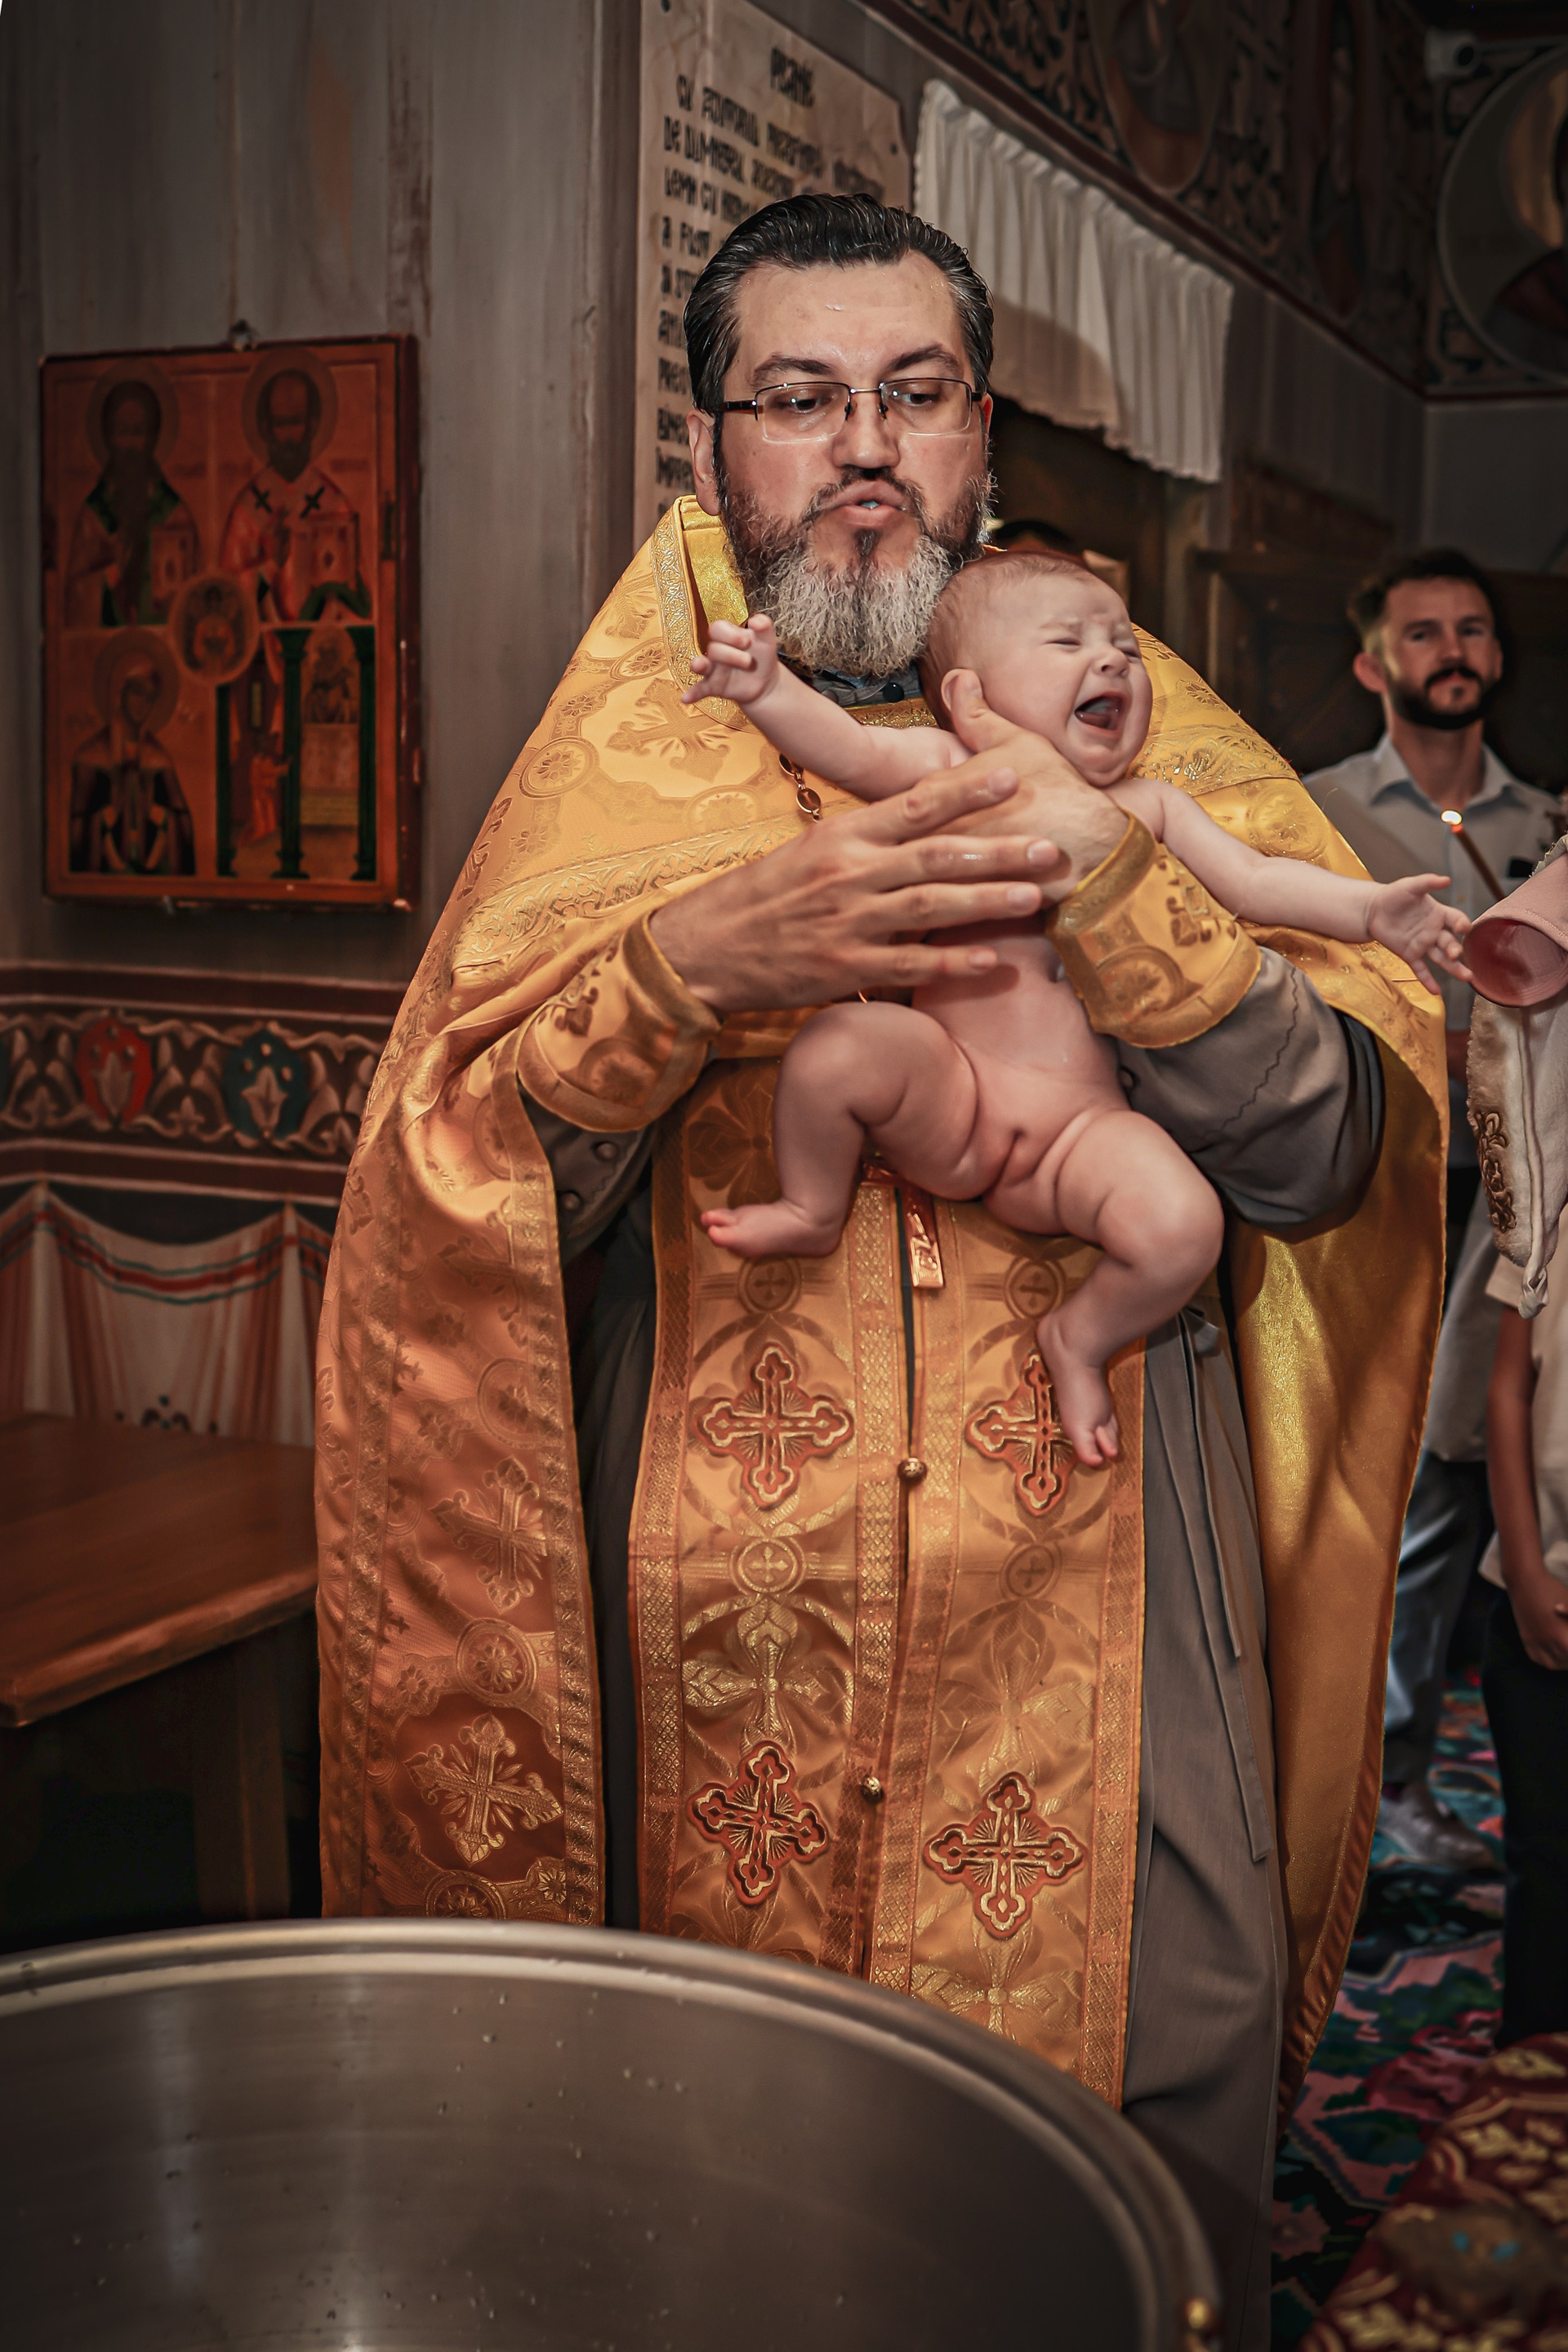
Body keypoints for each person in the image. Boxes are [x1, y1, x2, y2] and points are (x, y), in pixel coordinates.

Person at [316, 195, 1446, 2352]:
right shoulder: (615, 786)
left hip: (1107, 1652)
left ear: (980, 433)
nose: (861, 447)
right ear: (708, 444)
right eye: (799, 397)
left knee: (1132, 2215)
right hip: (713, 1674)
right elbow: (455, 1209)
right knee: (718, 2222)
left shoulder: (1138, 740)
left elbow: (1326, 1160)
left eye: (912, 396)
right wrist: (685, 969)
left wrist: (1113, 898)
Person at [687, 559, 1468, 1461]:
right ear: (969, 695)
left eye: (1125, 649)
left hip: (1081, 1134)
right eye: (1068, 643)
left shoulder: (1152, 809)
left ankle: (1081, 1339)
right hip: (953, 1093)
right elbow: (851, 752)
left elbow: (1257, 882)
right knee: (838, 1048)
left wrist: (1372, 912)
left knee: (1184, 1228)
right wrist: (767, 689)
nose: (1111, 662)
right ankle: (812, 1205)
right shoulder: (955, 772)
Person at [1306, 551, 1558, 1870]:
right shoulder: (1314, 812)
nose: (1451, 650)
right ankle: (1332, 1787)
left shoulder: (1547, 820)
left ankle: (1402, 1779)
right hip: (1369, 1181)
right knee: (1370, 1480)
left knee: (1457, 1479)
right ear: (1371, 664)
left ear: (1497, 657)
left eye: (1471, 630)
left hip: (1513, 1196)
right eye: (1421, 633)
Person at [1481, 1240, 1568, 2042]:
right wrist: (1525, 1572)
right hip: (1541, 1602)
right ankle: (1534, 2055)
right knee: (1546, 1856)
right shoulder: (1548, 1220)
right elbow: (1509, 1390)